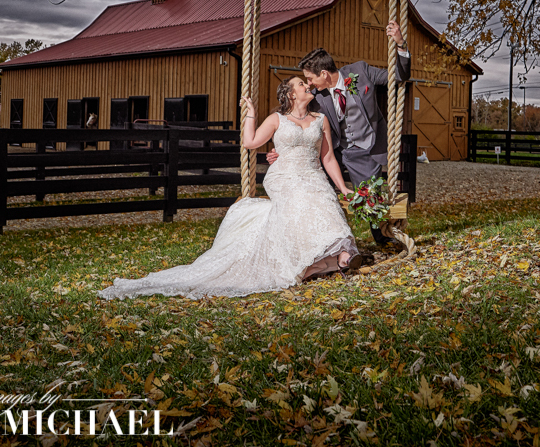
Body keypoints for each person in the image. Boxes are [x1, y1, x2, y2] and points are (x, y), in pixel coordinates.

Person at [98, 77, 360, 300]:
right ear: (291, 94)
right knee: (301, 199)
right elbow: (250, 142)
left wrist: (343, 188)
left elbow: (327, 157)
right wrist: (251, 114)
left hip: (312, 173)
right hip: (284, 176)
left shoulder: (320, 120)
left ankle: (341, 256)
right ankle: (320, 260)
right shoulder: (277, 119)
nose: (307, 85)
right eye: (301, 84)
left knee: (324, 199)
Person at [269, 21, 410, 244]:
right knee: (315, 190)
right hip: (333, 151)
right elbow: (295, 119)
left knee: (371, 197)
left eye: (310, 78)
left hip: (365, 149)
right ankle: (322, 240)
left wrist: (400, 44)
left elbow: (399, 77)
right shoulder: (317, 97)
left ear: (324, 74)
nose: (309, 84)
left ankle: (382, 239)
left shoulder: (361, 71)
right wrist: (282, 149)